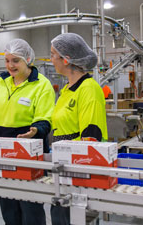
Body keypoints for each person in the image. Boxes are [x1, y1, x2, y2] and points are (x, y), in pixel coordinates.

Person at [0, 38, 55, 225]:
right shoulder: (0, 83)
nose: (10, 65)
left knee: (30, 207)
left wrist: (35, 131)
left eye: (15, 60)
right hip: (2, 154)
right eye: (7, 60)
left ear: (28, 59)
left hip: (28, 153)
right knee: (8, 208)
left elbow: (45, 118)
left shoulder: (41, 84)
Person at [50, 33, 108, 225]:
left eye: (53, 55)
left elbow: (91, 138)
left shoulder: (89, 88)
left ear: (66, 59)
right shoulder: (67, 89)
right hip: (63, 169)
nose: (51, 60)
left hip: (79, 172)